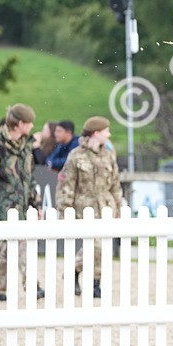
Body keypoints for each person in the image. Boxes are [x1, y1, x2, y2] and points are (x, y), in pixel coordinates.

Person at [0, 104, 43, 302]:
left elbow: (29, 178)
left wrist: (36, 203)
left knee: (23, 247)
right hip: (1, 208)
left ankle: (32, 286)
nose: (31, 126)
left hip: (20, 208)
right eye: (29, 123)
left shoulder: (25, 148)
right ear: (20, 124)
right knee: (3, 252)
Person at [57, 116, 125, 298]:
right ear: (96, 133)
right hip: (84, 208)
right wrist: (65, 209)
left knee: (103, 249)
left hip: (105, 207)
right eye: (106, 131)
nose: (109, 134)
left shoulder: (109, 155)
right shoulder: (76, 155)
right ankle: (74, 270)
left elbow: (115, 183)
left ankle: (95, 283)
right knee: (94, 246)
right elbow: (66, 184)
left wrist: (118, 206)